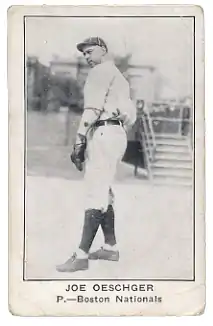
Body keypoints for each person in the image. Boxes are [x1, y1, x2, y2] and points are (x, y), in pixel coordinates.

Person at [56, 37, 136, 273]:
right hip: (116, 133)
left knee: (95, 192)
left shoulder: (100, 71)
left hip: (102, 130)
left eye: (90, 52)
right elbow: (130, 115)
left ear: (103, 50)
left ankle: (81, 256)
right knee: (103, 189)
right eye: (84, 55)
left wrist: (80, 137)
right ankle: (110, 247)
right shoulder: (120, 76)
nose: (87, 57)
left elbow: (92, 107)